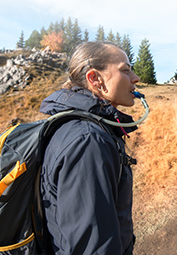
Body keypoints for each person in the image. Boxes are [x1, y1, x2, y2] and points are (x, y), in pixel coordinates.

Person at [39, 41, 140, 255]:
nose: (135, 78)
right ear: (95, 79)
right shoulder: (88, 141)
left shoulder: (84, 127)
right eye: (125, 70)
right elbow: (93, 248)